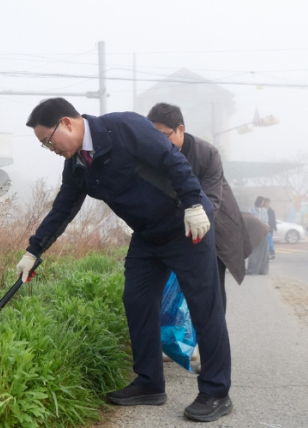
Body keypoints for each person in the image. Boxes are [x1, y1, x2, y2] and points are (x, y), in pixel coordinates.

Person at [16, 98, 232, 423]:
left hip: (185, 224)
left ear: (67, 123)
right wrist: (34, 251)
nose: (49, 148)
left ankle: (216, 392)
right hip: (148, 235)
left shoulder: (123, 127)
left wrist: (193, 202)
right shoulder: (77, 164)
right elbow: (63, 208)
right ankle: (149, 383)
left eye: (48, 140)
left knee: (205, 307)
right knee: (137, 300)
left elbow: (171, 159)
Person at [147, 103, 252, 313]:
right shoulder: (153, 154)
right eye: (153, 136)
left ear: (180, 130)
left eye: (164, 136)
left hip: (215, 223)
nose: (158, 142)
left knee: (212, 287)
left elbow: (211, 201)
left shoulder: (207, 154)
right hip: (177, 225)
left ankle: (215, 335)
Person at [247, 196, 270, 274]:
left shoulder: (264, 210)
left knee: (264, 252)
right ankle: (252, 270)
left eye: (263, 202)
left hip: (263, 231)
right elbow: (251, 219)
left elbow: (266, 219)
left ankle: (262, 270)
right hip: (255, 232)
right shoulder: (252, 210)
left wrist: (266, 225)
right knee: (255, 251)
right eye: (262, 201)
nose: (263, 203)